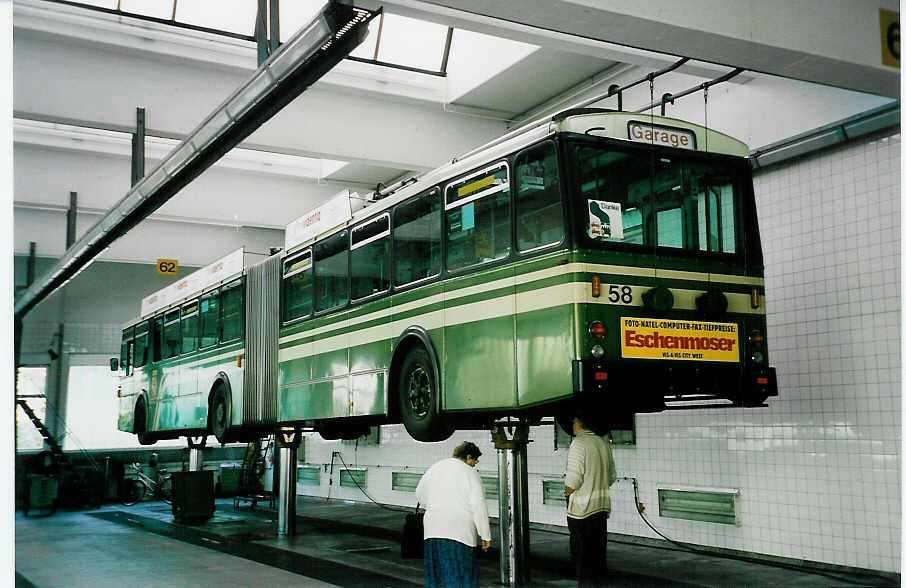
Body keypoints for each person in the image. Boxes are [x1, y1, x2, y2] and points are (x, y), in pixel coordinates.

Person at [415, 441, 492, 588]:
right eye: (475, 460)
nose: (475, 464)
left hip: (433, 529)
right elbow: (479, 507)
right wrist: (485, 535)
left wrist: (434, 507)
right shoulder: (470, 473)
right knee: (460, 578)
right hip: (459, 533)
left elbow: (419, 494)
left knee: (435, 577)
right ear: (468, 456)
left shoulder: (436, 467)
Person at [564, 413, 617, 587]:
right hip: (601, 509)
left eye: (574, 422)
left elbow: (574, 479)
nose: (572, 425)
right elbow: (611, 477)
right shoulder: (603, 443)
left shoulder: (578, 443)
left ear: (579, 424)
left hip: (582, 512)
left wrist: (567, 491)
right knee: (598, 557)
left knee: (583, 559)